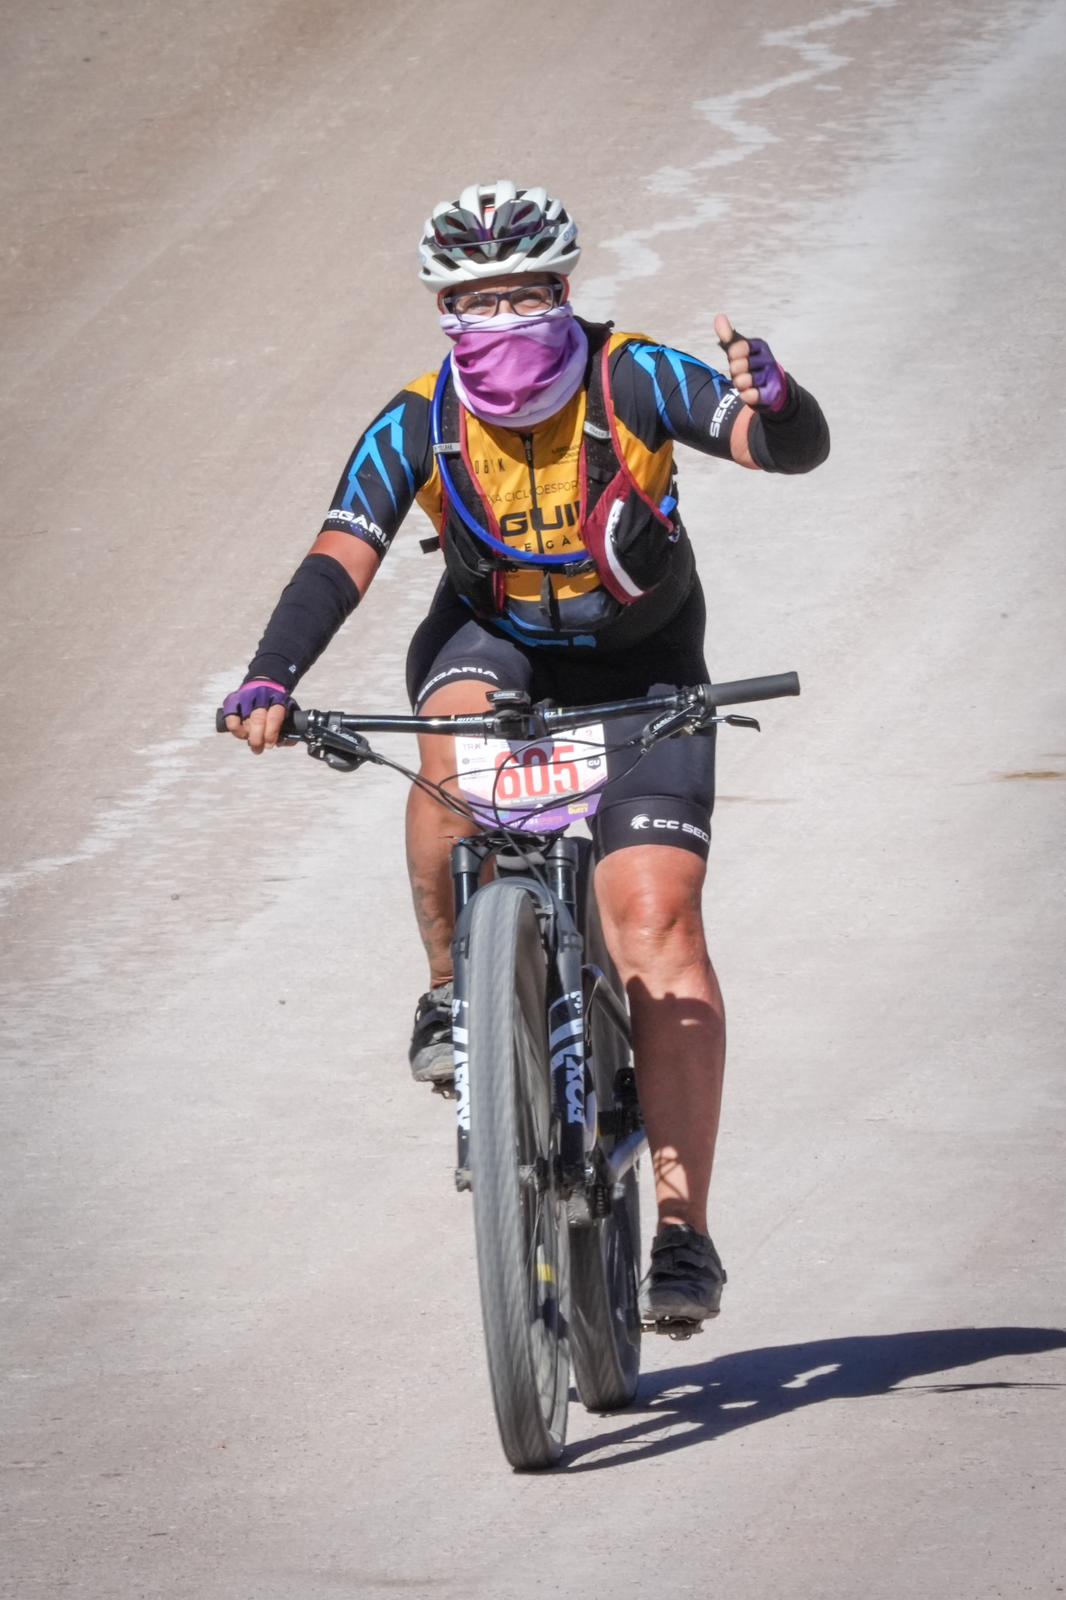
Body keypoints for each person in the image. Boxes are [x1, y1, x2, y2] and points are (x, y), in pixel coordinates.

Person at [222, 180, 829, 1327]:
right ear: (442, 312)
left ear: (566, 290)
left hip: (643, 671)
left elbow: (779, 447)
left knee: (657, 919)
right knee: (446, 750)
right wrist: (271, 675)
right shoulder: (418, 417)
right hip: (488, 646)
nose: (501, 319)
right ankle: (455, 995)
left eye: (525, 293)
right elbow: (341, 551)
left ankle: (684, 1231)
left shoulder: (635, 375)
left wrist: (780, 402)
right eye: (474, 300)